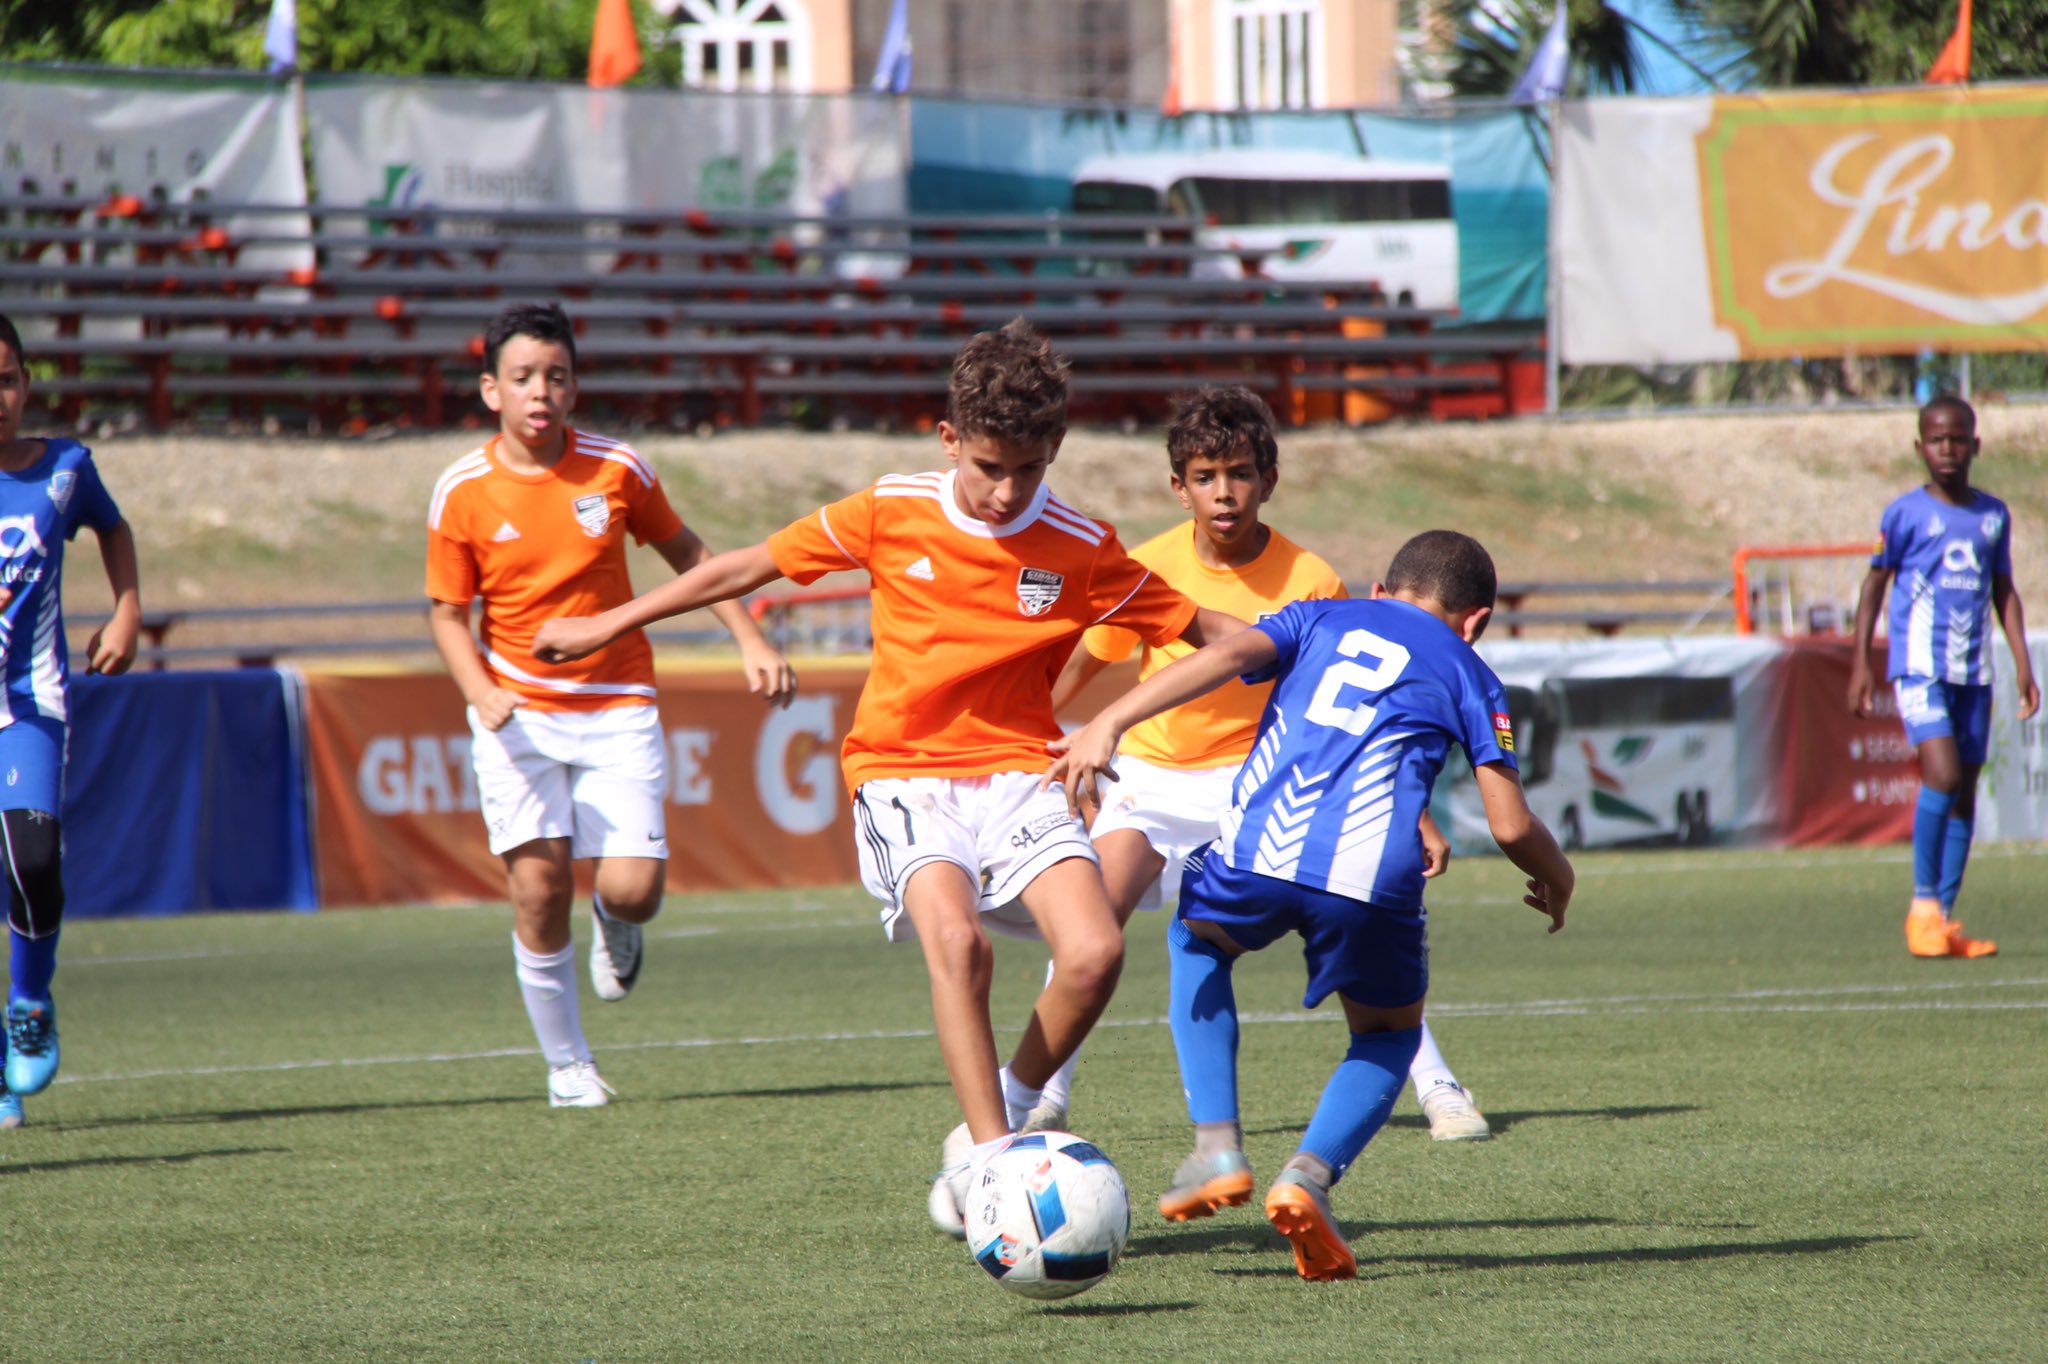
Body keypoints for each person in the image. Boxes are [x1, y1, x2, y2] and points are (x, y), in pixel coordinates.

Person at [533, 319, 1243, 1226]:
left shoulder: (1084, 544)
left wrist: (1315, 644)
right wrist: (604, 625)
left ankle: (1012, 1105)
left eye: (1027, 468)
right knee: (961, 945)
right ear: (949, 439)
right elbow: (749, 565)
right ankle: (993, 1168)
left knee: (1098, 950)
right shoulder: (890, 508)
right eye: (988, 465)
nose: (1005, 489)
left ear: (1054, 450)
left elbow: (1211, 636)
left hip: (1023, 773)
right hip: (903, 773)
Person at [1047, 529, 1574, 1281]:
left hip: (1257, 846)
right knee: (1389, 1036)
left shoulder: (1320, 615)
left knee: (1197, 945)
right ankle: (1309, 1176)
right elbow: (1511, 825)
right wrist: (1560, 877)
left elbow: (1223, 657)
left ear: (1384, 593)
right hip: (1373, 878)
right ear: (1477, 620)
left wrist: (1110, 721)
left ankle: (1217, 1145)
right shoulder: (1471, 671)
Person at [1026, 386, 1494, 1156]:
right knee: (1092, 920)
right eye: (1205, 476)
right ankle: (1046, 1093)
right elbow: (1080, 665)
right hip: (1148, 776)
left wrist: (1417, 815)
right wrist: (1037, 735)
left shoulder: (1308, 576)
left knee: (1363, 928)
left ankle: (1438, 1085)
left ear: (1267, 480)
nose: (1224, 493)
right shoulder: (1146, 566)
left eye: (1239, 473)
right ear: (1178, 487)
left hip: (1262, 786)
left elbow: (1369, 711)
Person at [426, 302, 794, 1109]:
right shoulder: (460, 491)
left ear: (575, 386)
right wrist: (480, 689)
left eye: (556, 377)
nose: (540, 393)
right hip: (516, 715)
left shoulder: (617, 470)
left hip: (616, 704)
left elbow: (693, 557)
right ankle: (568, 1068)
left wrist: (751, 640)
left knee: (633, 889)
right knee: (537, 889)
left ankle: (615, 918)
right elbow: (448, 615)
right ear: (491, 390)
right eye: (522, 378)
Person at [0, 313, 143, 1132]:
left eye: (8, 379)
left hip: (27, 699)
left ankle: (29, 999)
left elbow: (113, 527)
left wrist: (126, 613)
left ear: (27, 383)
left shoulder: (63, 469)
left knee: (36, 860)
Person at [1848, 394, 2037, 959]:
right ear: (1919, 447)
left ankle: (1943, 922)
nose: (1947, 449)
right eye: (1936, 440)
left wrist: (2022, 661)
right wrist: (1861, 660)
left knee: (1964, 791)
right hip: (1920, 669)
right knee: (1943, 773)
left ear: (1975, 445)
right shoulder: (1904, 514)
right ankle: (1923, 907)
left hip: (1973, 673)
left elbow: (2004, 591)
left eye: (1957, 439)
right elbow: (1873, 587)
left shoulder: (1993, 515)